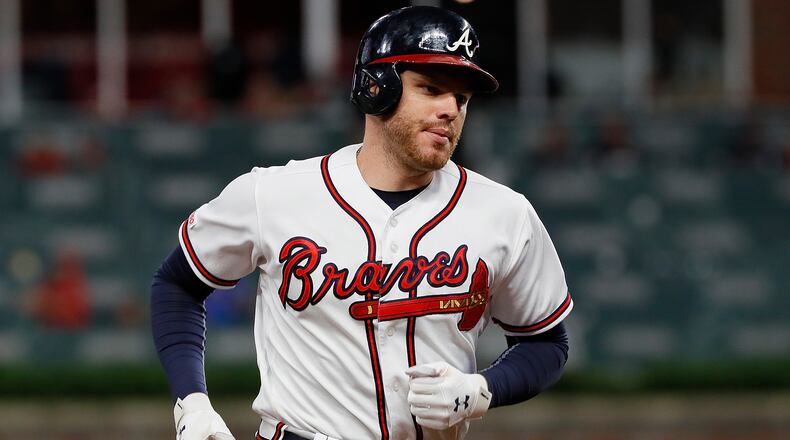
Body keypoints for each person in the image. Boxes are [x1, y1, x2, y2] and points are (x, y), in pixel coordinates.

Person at [151, 6, 572, 440]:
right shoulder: (272, 195)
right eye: (430, 88)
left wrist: (482, 389)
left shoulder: (505, 214)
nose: (450, 109)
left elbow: (545, 342)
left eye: (461, 98)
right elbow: (178, 283)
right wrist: (192, 403)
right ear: (377, 89)